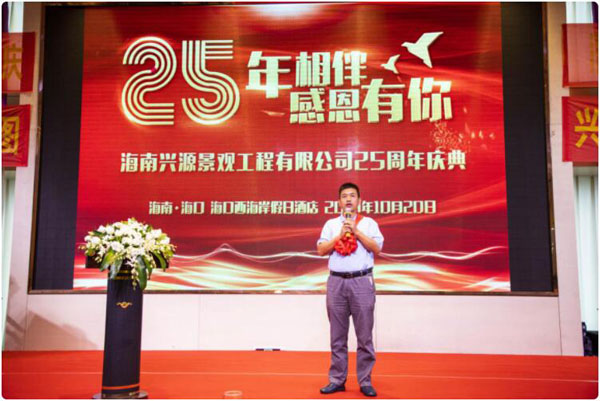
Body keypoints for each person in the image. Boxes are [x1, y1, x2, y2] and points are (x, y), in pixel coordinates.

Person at [317, 182, 384, 397]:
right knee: (337, 336)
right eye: (344, 196)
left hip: (361, 282)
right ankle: (337, 379)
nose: (348, 199)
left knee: (364, 336)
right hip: (336, 283)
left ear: (359, 200)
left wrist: (356, 231)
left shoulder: (369, 223)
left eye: (352, 196)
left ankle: (365, 381)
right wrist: (339, 235)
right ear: (339, 201)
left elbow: (377, 248)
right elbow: (321, 250)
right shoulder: (330, 224)